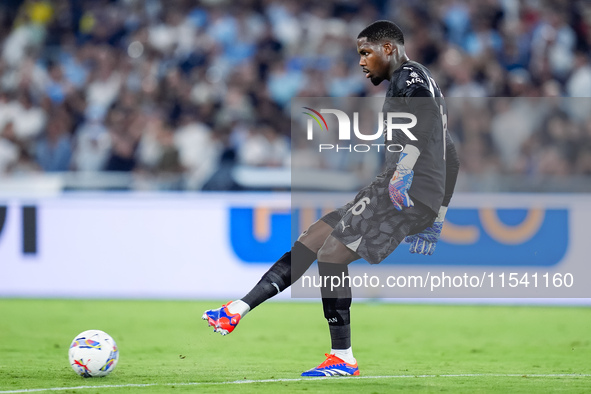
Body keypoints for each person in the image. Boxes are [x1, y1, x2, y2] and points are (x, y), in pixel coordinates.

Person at [203, 20, 460, 377]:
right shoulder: (423, 83)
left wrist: (406, 169)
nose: (361, 61)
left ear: (389, 49)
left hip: (405, 192)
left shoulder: (408, 79)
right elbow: (451, 151)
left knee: (331, 255)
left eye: (366, 52)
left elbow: (424, 127)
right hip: (399, 189)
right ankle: (237, 309)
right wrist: (439, 211)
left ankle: (343, 357)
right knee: (313, 240)